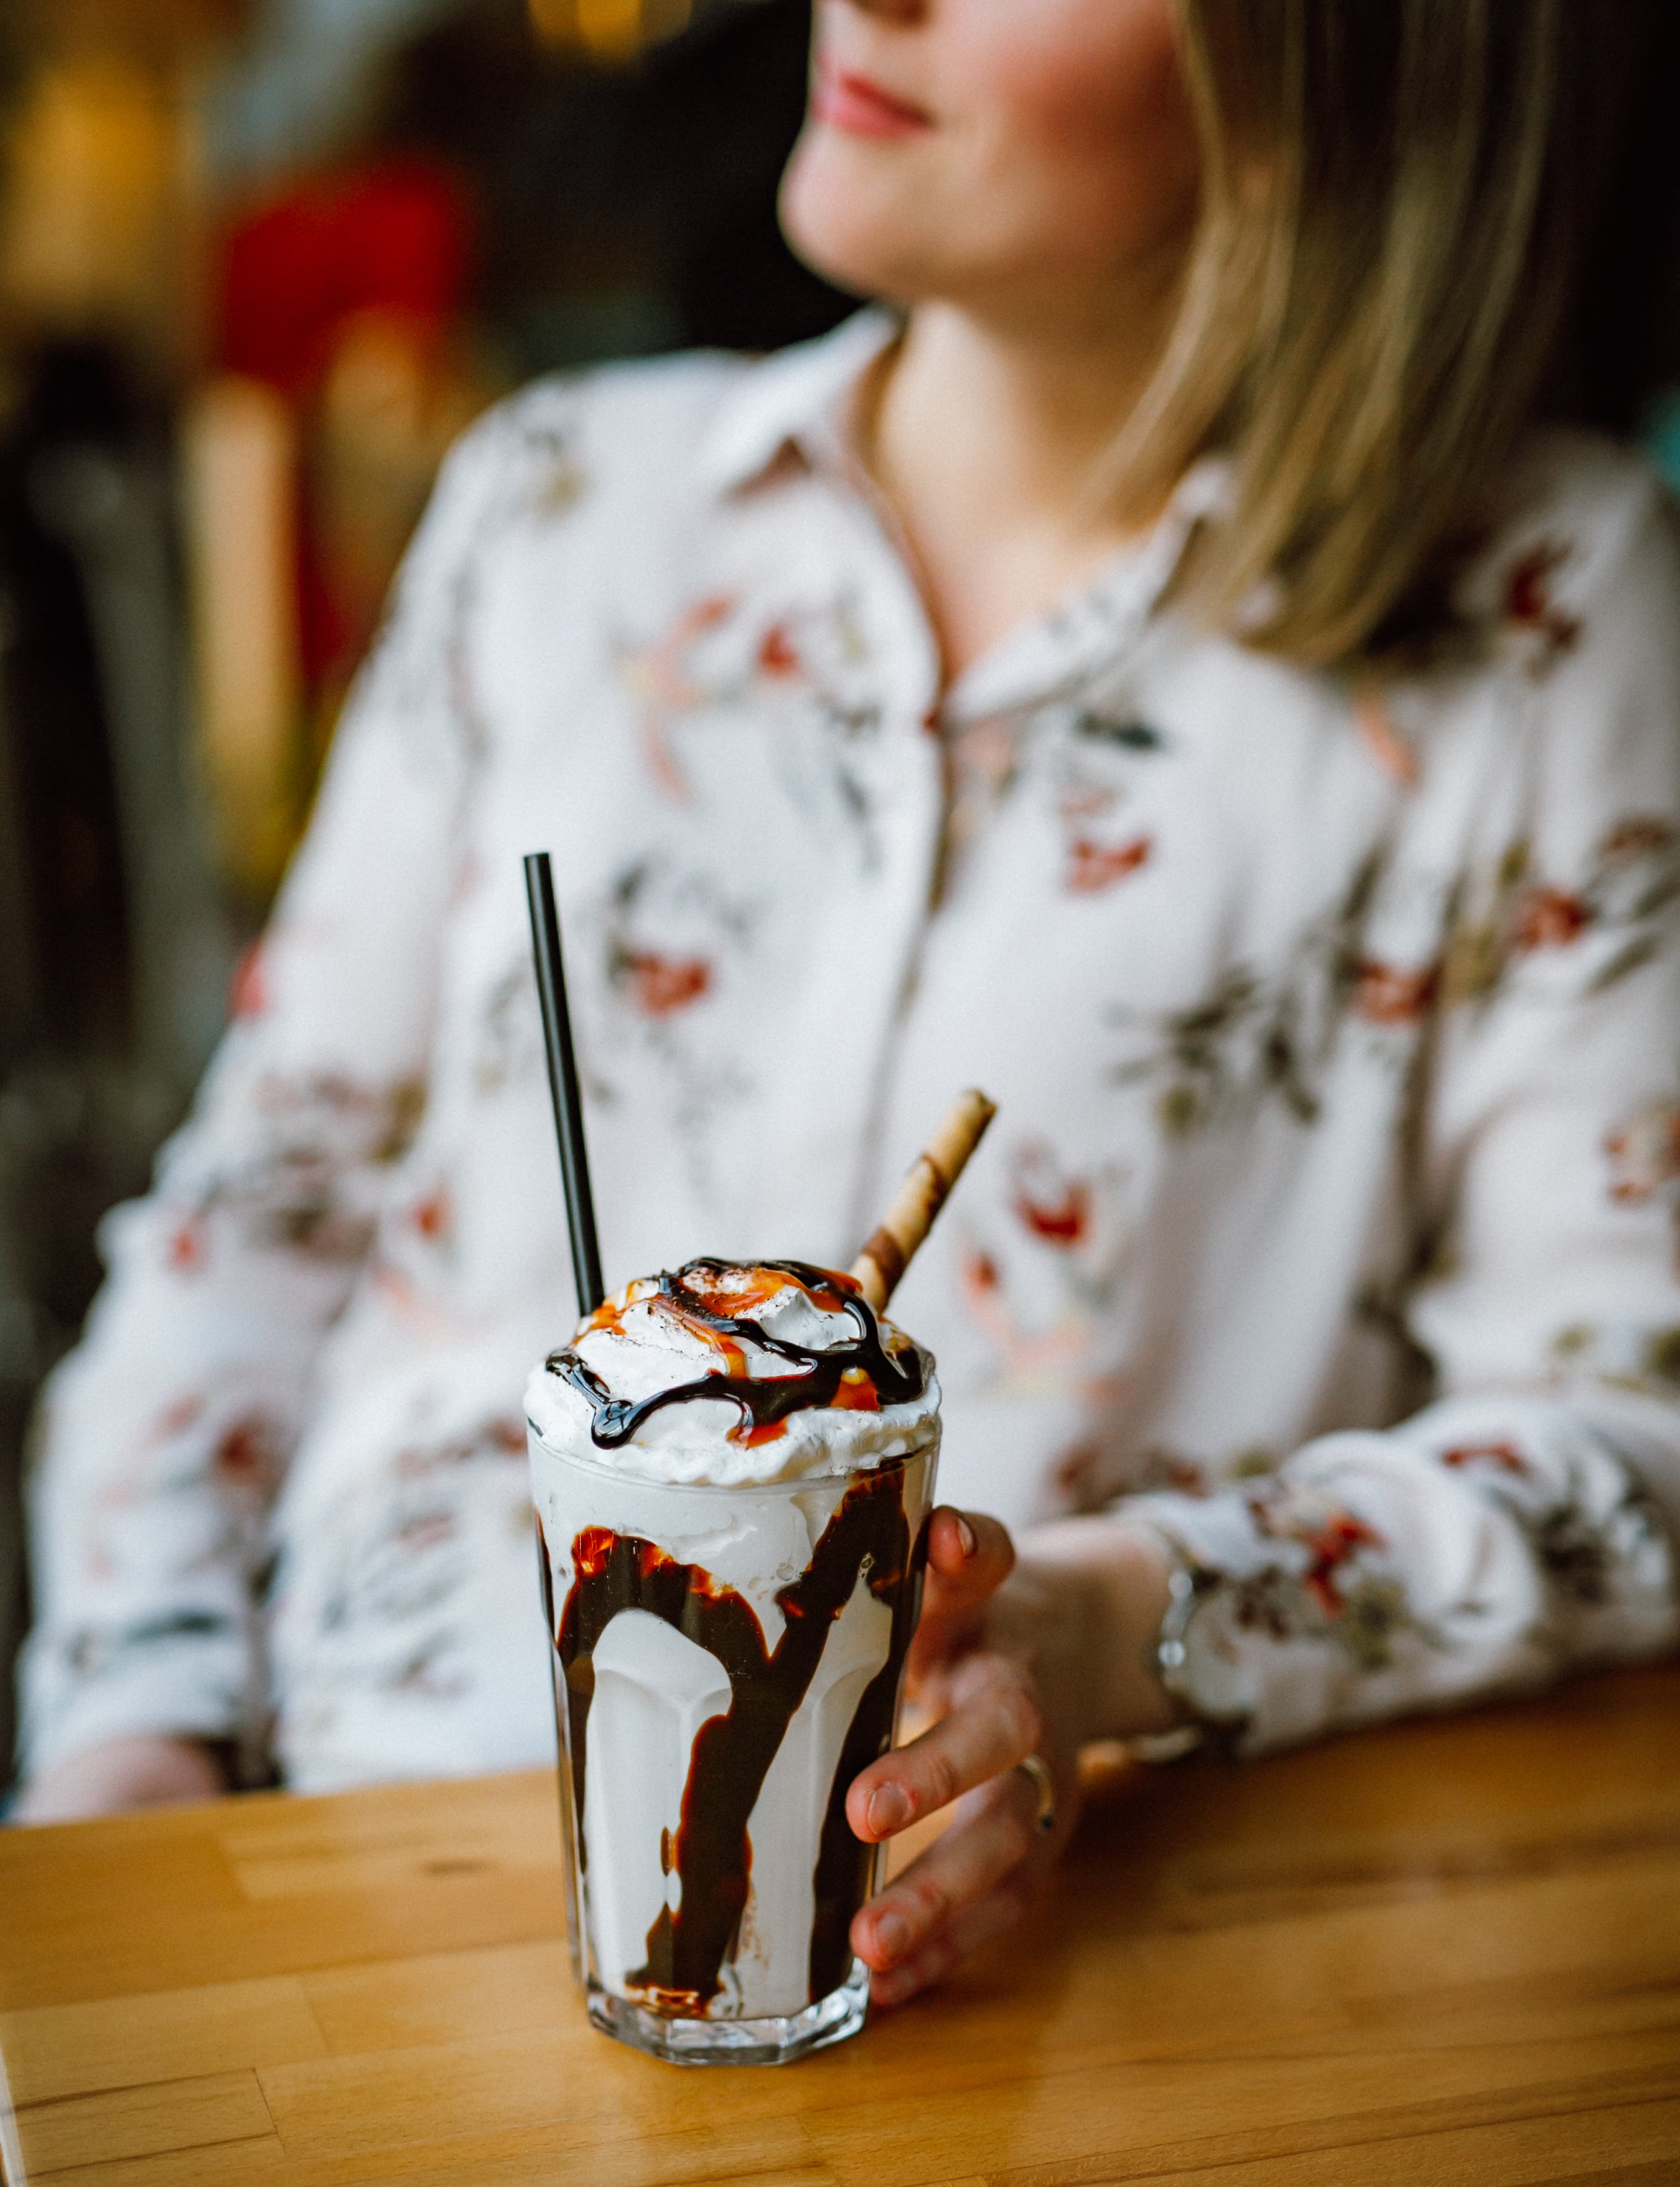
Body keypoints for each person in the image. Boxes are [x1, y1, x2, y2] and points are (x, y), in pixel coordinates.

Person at [15, 1, 1680, 2019]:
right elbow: (254, 1220)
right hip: (315, 1879)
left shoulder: (1546, 620)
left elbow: (1628, 1444)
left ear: (1337, 61)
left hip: (1001, 2001)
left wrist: (1091, 1629)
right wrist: (128, 1738)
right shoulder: (555, 508)